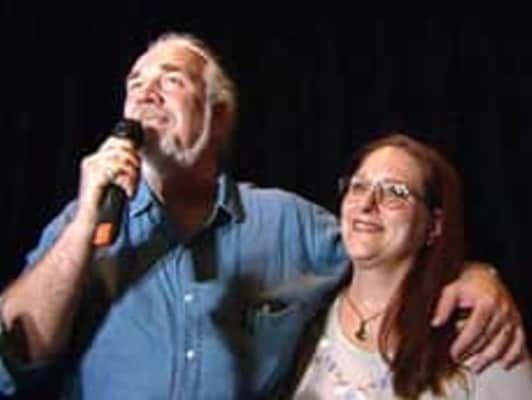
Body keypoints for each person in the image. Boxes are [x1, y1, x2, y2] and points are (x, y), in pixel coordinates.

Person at [0, 32, 526, 399]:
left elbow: (385, 244)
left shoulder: (287, 224)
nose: (145, 92)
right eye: (135, 82)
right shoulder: (81, 223)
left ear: (218, 115)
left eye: (172, 79)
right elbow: (14, 354)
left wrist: (475, 275)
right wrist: (84, 226)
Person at [292, 133, 532, 399]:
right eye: (358, 186)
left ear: (433, 225)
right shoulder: (304, 315)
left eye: (395, 192)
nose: (367, 204)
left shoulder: (481, 333)